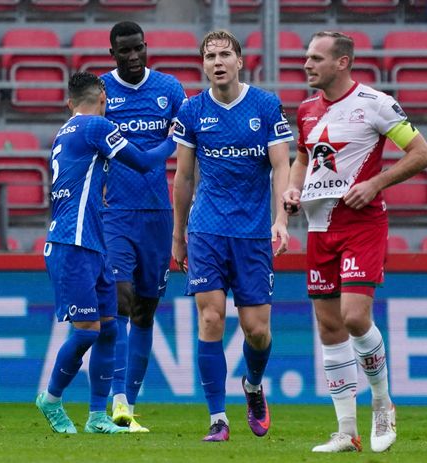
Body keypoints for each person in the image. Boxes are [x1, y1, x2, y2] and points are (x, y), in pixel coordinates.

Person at [282, 31, 427, 453]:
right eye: (306, 57)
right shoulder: (307, 110)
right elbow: (303, 158)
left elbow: (422, 153)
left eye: (316, 58)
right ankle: (346, 431)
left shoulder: (376, 103)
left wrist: (376, 183)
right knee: (329, 327)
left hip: (362, 224)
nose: (307, 64)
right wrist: (293, 188)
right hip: (318, 227)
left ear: (342, 62)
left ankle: (383, 403)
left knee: (353, 317)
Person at [35, 71, 176, 435]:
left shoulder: (65, 131)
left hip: (91, 243)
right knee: (86, 332)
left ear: (70, 102)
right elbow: (142, 162)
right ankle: (50, 398)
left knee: (109, 329)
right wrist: (173, 138)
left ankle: (97, 416)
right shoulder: (95, 126)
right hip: (73, 243)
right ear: (103, 99)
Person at [172, 30, 293, 442]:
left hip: (253, 233)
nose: (218, 62)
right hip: (207, 229)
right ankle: (217, 418)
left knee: (257, 330)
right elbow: (184, 177)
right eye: (210, 56)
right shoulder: (192, 110)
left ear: (240, 61)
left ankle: (253, 386)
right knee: (210, 318)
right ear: (203, 65)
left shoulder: (265, 105)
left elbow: (281, 167)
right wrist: (178, 235)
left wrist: (281, 218)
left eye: (225, 54)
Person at [100, 21, 186, 433]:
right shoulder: (102, 90)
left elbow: (186, 138)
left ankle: (129, 404)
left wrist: (155, 152)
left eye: (138, 48)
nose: (133, 57)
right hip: (115, 211)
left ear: (146, 46)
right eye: (125, 51)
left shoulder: (169, 89)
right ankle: (117, 399)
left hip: (157, 214)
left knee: (146, 312)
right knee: (121, 299)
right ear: (112, 53)